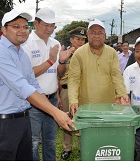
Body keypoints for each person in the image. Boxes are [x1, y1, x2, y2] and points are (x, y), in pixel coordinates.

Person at [0, 9, 74, 160]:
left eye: (25, 27)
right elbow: (21, 87)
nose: (22, 31)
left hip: (23, 119)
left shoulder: (21, 54)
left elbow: (33, 85)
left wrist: (53, 107)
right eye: (16, 26)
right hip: (3, 124)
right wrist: (55, 112)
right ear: (4, 30)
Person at [22, 7, 74, 160]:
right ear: (35, 23)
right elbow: (27, 75)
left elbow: (59, 73)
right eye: (46, 25)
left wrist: (62, 61)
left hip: (51, 98)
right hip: (33, 101)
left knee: (50, 140)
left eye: (53, 26)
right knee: (33, 142)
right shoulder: (27, 43)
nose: (49, 29)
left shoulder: (55, 43)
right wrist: (51, 60)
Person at [68, 19, 129, 116]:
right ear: (88, 35)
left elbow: (116, 75)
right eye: (93, 33)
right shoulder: (78, 54)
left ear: (104, 35)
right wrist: (73, 101)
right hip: (85, 106)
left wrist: (122, 93)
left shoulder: (112, 53)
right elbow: (73, 80)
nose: (96, 36)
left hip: (109, 105)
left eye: (100, 33)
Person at [58, 27, 87, 160]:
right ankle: (67, 148)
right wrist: (62, 60)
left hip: (82, 91)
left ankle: (83, 147)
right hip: (66, 90)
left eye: (83, 39)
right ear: (71, 39)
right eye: (77, 39)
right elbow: (58, 74)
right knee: (67, 120)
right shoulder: (64, 54)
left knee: (82, 119)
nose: (80, 42)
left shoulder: (87, 54)